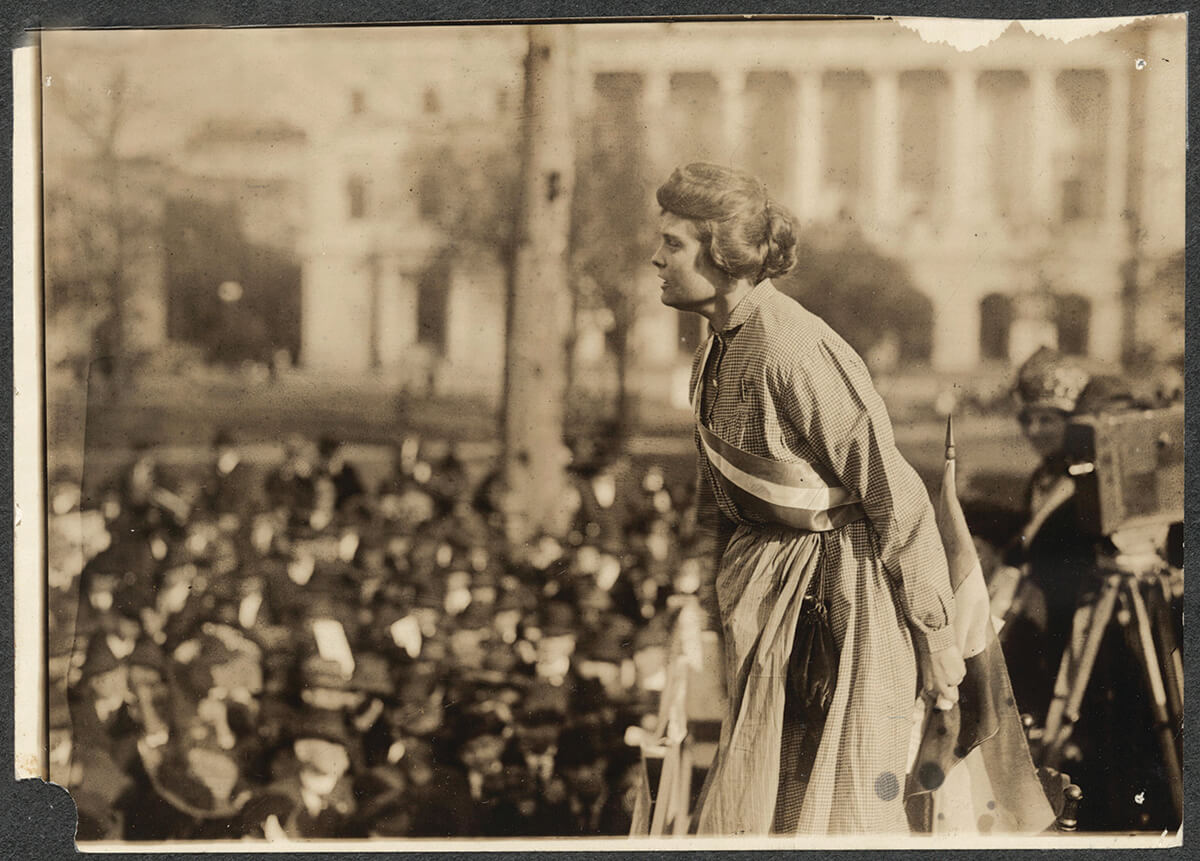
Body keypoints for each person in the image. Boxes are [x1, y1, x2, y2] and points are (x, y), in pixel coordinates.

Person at [649, 163, 963, 835]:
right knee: (764, 807)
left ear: (722, 253)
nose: (656, 256)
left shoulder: (794, 347)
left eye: (672, 243)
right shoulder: (718, 346)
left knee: (841, 809)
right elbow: (725, 502)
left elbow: (894, 490)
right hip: (768, 600)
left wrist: (936, 638)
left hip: (839, 601)